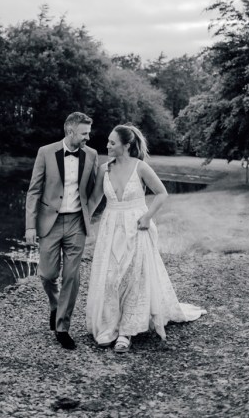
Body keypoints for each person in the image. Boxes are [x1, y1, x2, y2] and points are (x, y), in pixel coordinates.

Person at [86, 124, 206, 352]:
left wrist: (147, 217)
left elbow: (162, 193)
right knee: (111, 277)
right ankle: (109, 325)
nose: (107, 145)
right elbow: (93, 201)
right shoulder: (104, 170)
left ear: (126, 145)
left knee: (133, 277)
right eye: (108, 141)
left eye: (112, 142)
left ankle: (126, 333)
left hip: (136, 226)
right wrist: (82, 226)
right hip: (110, 228)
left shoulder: (140, 167)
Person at [25, 112, 98, 350]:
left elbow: (95, 188)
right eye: (84, 133)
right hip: (50, 223)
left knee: (71, 276)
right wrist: (30, 225)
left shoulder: (92, 155)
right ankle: (55, 305)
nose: (88, 137)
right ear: (70, 131)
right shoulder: (45, 152)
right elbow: (34, 191)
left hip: (77, 223)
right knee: (47, 274)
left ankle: (62, 327)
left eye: (89, 132)